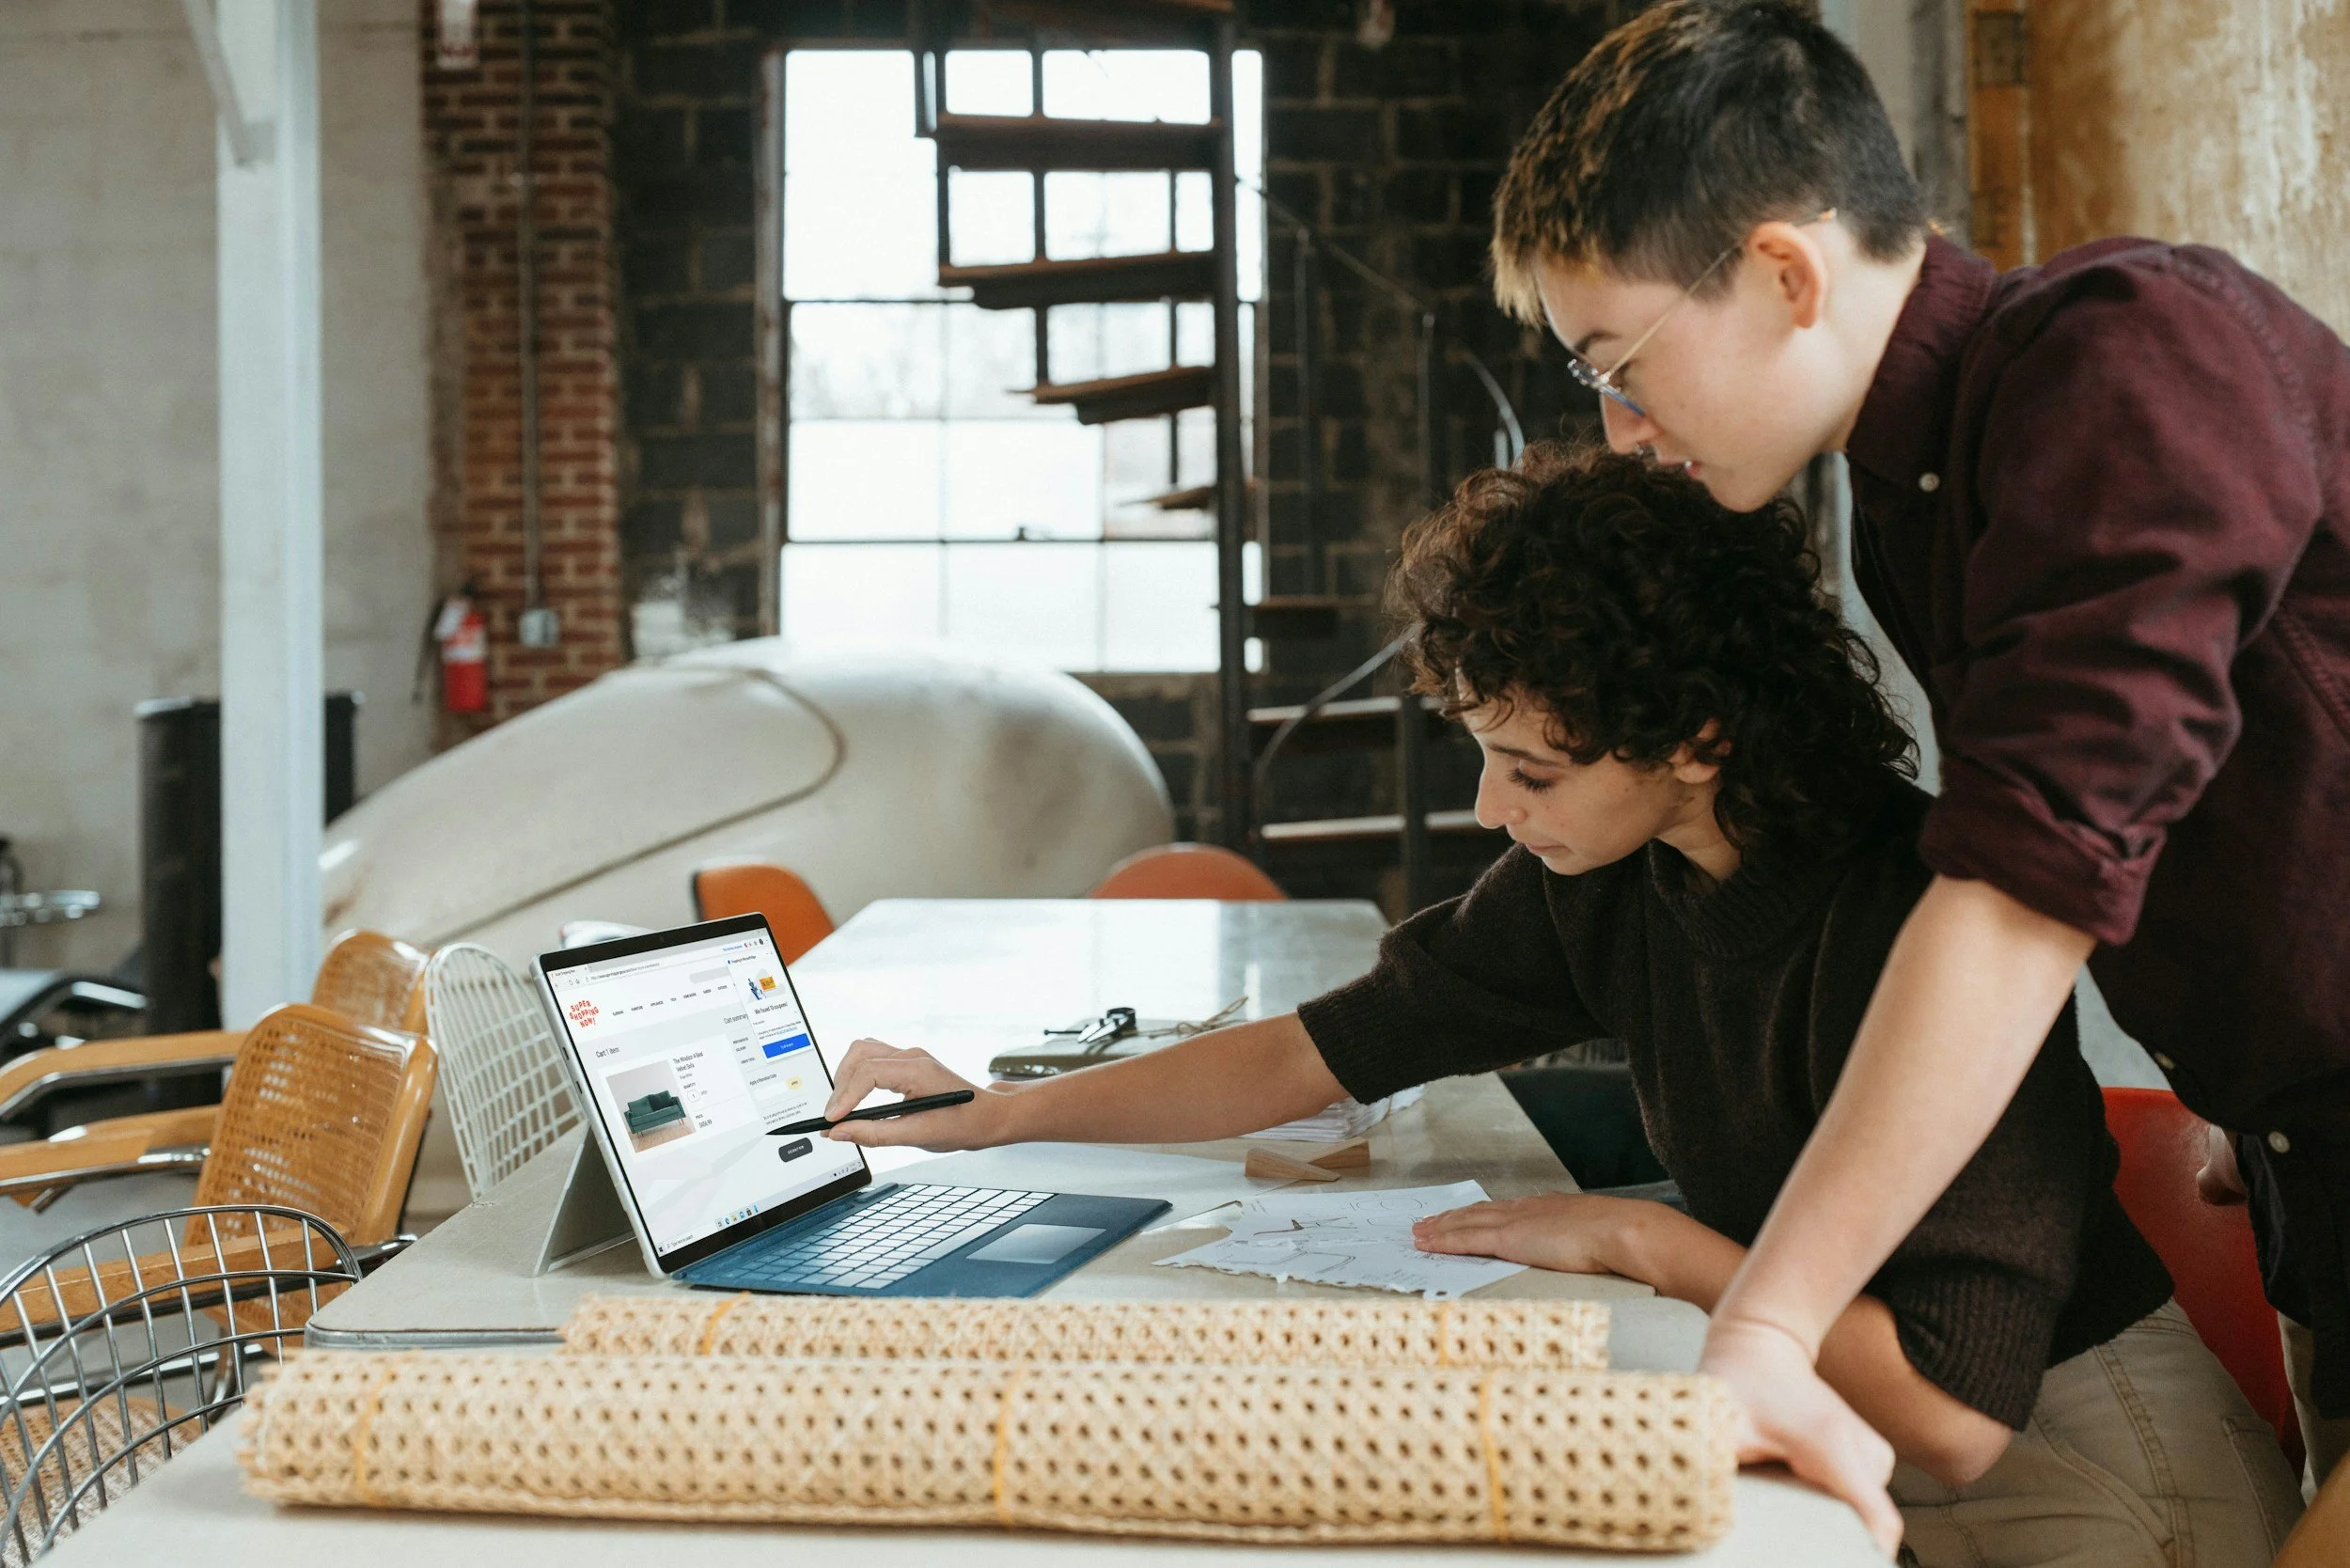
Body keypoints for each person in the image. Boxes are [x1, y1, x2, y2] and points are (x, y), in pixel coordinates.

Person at [817, 445, 2302, 1564]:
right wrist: (996, 1115)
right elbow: (1315, 1049)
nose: (1487, 808)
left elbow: (1956, 1418)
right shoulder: (1612, 868)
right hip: (1862, 1441)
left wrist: (1644, 1240)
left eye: (1532, 770)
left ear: (1698, 737)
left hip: (2090, 1470)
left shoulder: (1911, 915)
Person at [1484, 0, 2350, 1544]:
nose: (1621, 433)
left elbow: (2029, 887)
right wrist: (2255, 1069)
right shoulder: (1913, 495)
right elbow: (2197, 800)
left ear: (1781, 272)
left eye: (1618, 364)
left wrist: (1762, 1320)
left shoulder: (2126, 362)